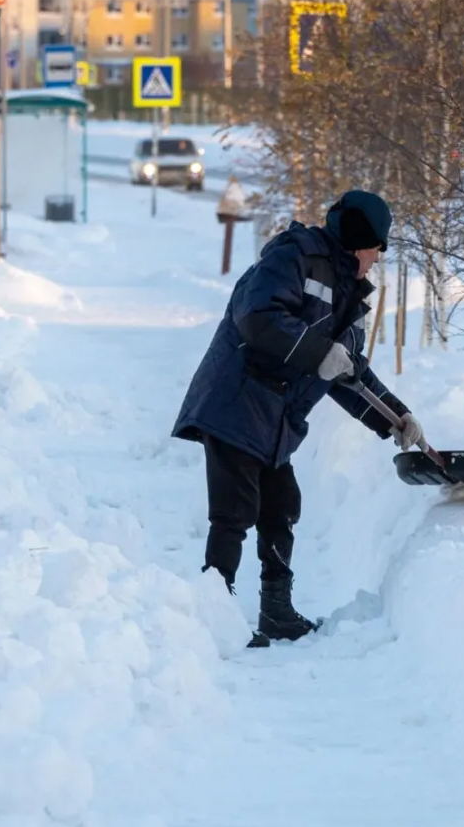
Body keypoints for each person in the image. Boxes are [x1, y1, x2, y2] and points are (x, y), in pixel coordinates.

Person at [173, 190, 429, 643]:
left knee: (281, 506)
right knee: (234, 512)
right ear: (357, 239)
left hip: (276, 417)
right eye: (377, 247)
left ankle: (276, 610)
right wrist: (318, 350)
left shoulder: (350, 296)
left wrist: (397, 418)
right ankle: (213, 620)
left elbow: (348, 371)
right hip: (238, 400)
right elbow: (256, 315)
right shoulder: (295, 257)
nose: (377, 257)